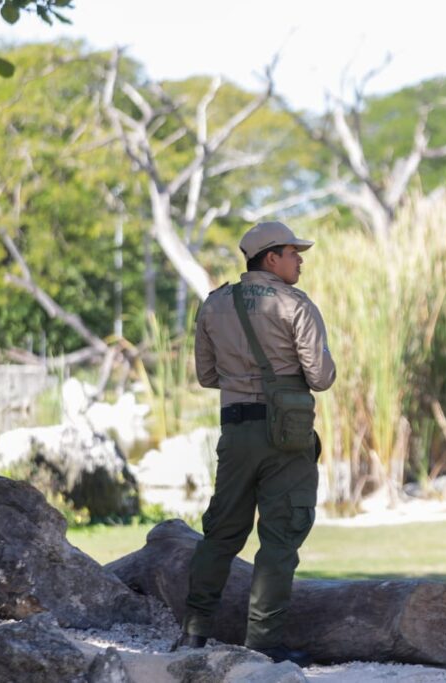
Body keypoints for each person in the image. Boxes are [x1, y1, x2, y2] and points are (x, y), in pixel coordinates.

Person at [171, 221, 336, 666]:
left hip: (236, 432)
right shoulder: (295, 305)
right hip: (285, 436)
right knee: (280, 537)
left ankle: (193, 632)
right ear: (271, 257)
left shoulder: (214, 304)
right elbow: (321, 377)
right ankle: (263, 642)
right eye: (293, 253)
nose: (299, 260)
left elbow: (207, 376)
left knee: (221, 533)